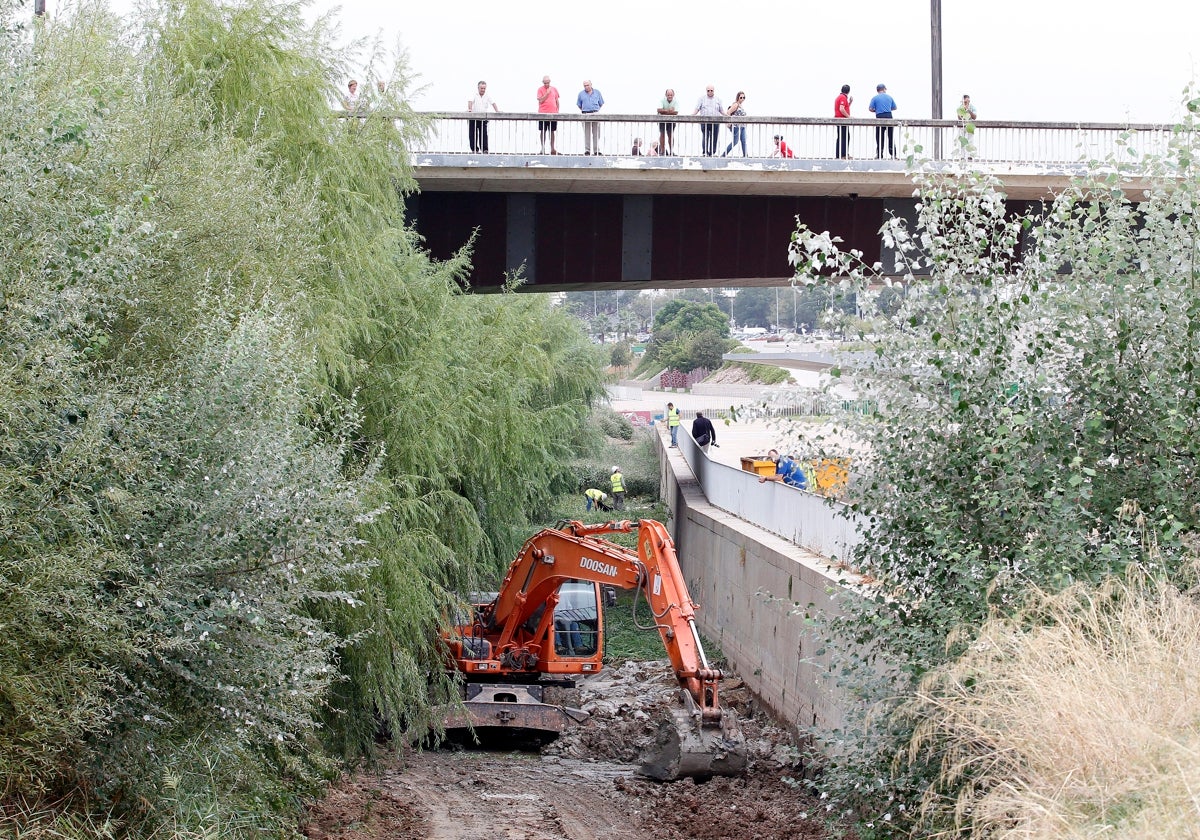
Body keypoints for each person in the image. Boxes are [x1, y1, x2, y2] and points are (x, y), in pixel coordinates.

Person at [467, 80, 499, 153]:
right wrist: (470, 110)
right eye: (481, 88)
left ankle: (485, 149)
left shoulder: (487, 95)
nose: (483, 90)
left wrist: (497, 111)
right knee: (473, 134)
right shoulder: (474, 94)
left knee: (484, 134)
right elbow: (470, 102)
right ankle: (474, 149)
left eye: (484, 88)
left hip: (483, 118)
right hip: (474, 117)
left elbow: (493, 103)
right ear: (478, 88)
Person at [868, 83, 898, 159]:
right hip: (889, 116)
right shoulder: (889, 97)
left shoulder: (874, 98)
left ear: (877, 90)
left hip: (879, 117)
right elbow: (895, 108)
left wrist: (877, 110)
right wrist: (887, 108)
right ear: (884, 89)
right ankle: (893, 154)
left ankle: (879, 154)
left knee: (879, 137)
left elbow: (870, 109)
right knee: (890, 136)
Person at [693, 85, 724, 156]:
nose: (710, 92)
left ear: (714, 91)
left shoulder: (718, 99)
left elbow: (721, 110)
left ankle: (712, 152)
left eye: (711, 90)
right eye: (708, 90)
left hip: (716, 121)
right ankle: (705, 152)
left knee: (714, 137)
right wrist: (692, 115)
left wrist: (727, 116)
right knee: (705, 136)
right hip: (705, 121)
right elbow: (697, 109)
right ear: (706, 91)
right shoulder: (701, 99)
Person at [577, 79, 604, 155]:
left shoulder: (597, 92)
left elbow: (601, 103)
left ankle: (596, 150)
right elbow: (579, 105)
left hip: (595, 113)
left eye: (587, 85)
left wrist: (595, 110)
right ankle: (587, 150)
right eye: (585, 85)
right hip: (585, 114)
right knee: (587, 133)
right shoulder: (581, 94)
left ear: (591, 85)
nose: (586, 87)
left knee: (596, 133)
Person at [536, 75, 560, 155]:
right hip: (543, 113)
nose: (547, 84)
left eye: (548, 82)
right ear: (543, 82)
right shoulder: (540, 89)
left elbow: (557, 101)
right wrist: (547, 93)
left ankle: (552, 148)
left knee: (552, 131)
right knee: (543, 131)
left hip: (553, 113)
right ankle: (542, 148)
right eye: (545, 83)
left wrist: (557, 111)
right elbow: (541, 101)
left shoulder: (554, 89)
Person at [721, 91, 748, 157]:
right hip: (736, 126)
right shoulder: (735, 104)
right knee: (735, 141)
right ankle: (724, 154)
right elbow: (728, 112)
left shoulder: (741, 105)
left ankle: (745, 155)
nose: (742, 99)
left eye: (744, 97)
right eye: (741, 97)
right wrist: (729, 122)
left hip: (742, 126)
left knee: (744, 141)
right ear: (738, 97)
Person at [656, 89, 679, 156]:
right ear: (666, 95)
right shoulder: (662, 100)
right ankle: (662, 151)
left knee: (671, 135)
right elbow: (659, 110)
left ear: (673, 95)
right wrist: (669, 111)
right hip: (662, 120)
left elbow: (676, 112)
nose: (670, 96)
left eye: (671, 95)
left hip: (671, 121)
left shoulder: (676, 101)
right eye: (668, 95)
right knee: (662, 134)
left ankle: (671, 151)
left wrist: (664, 111)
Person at [834, 84, 852, 159]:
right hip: (842, 120)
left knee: (841, 137)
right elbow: (841, 109)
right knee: (845, 137)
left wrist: (850, 102)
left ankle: (839, 155)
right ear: (848, 91)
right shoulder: (843, 97)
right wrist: (849, 117)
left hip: (839, 120)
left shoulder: (840, 97)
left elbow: (844, 107)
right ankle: (843, 155)